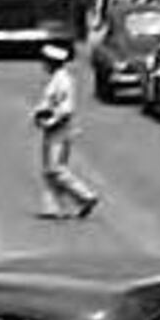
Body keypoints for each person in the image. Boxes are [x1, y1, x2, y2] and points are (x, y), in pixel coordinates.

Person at [33, 46, 100, 219]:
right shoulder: (56, 78)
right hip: (56, 127)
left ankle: (85, 196)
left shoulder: (62, 81)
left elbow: (66, 108)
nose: (43, 65)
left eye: (45, 61)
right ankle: (53, 207)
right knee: (50, 170)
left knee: (55, 169)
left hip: (59, 128)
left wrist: (50, 121)